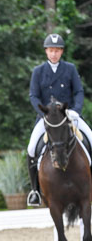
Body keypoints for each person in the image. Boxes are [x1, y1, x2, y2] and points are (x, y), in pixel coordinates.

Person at [27, 33, 92, 206]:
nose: (54, 53)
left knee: (91, 138)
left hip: (68, 115)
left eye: (57, 50)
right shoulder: (38, 71)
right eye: (51, 50)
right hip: (47, 118)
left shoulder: (70, 69)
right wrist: (43, 114)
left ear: (61, 52)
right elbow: (33, 96)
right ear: (46, 51)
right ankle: (35, 191)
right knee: (32, 147)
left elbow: (78, 92)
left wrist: (76, 110)